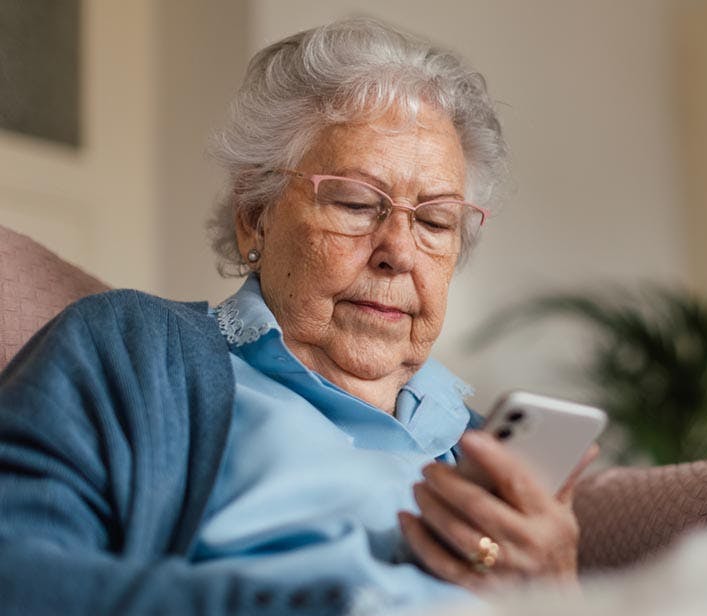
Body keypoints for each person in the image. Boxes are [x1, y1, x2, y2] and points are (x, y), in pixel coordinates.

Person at [0, 17, 595, 616]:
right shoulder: (129, 350)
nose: (400, 250)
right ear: (254, 217)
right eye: (356, 203)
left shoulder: (480, 440)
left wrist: (559, 591)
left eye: (436, 221)